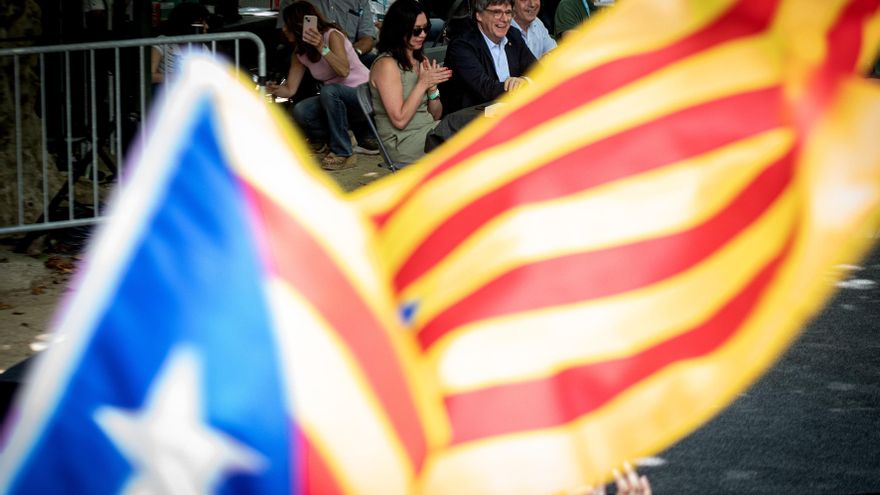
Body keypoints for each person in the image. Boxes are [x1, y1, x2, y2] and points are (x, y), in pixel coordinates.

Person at [269, 1, 377, 170]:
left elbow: (343, 70)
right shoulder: (300, 53)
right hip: (337, 99)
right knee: (302, 110)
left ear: (297, 26)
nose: (283, 28)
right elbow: (290, 90)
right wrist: (274, 89)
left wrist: (322, 47)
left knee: (329, 91)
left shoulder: (331, 35)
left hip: (364, 94)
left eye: (287, 24)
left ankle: (343, 152)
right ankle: (335, 139)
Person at [369, 0, 454, 163]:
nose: (423, 35)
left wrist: (432, 90)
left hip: (428, 132)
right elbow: (399, 121)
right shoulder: (387, 65)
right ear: (398, 30)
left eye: (426, 28)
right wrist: (423, 84)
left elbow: (435, 114)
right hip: (403, 142)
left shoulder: (420, 60)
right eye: (416, 30)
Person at [441, 0, 537, 115]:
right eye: (497, 12)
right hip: (470, 121)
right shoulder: (462, 45)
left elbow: (538, 71)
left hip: (511, 113)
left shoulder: (513, 35)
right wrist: (521, 87)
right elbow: (486, 89)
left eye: (508, 12)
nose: (505, 19)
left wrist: (525, 81)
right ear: (479, 15)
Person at [278, 0, 377, 66]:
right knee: (294, 60)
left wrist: (352, 53)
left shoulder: (359, 1)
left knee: (376, 62)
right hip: (311, 52)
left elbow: (368, 37)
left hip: (350, 52)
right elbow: (284, 33)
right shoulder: (294, 1)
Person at [151, 2, 209, 84]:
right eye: (201, 22)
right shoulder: (163, 43)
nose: (206, 27)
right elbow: (149, 76)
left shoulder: (203, 48)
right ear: (187, 24)